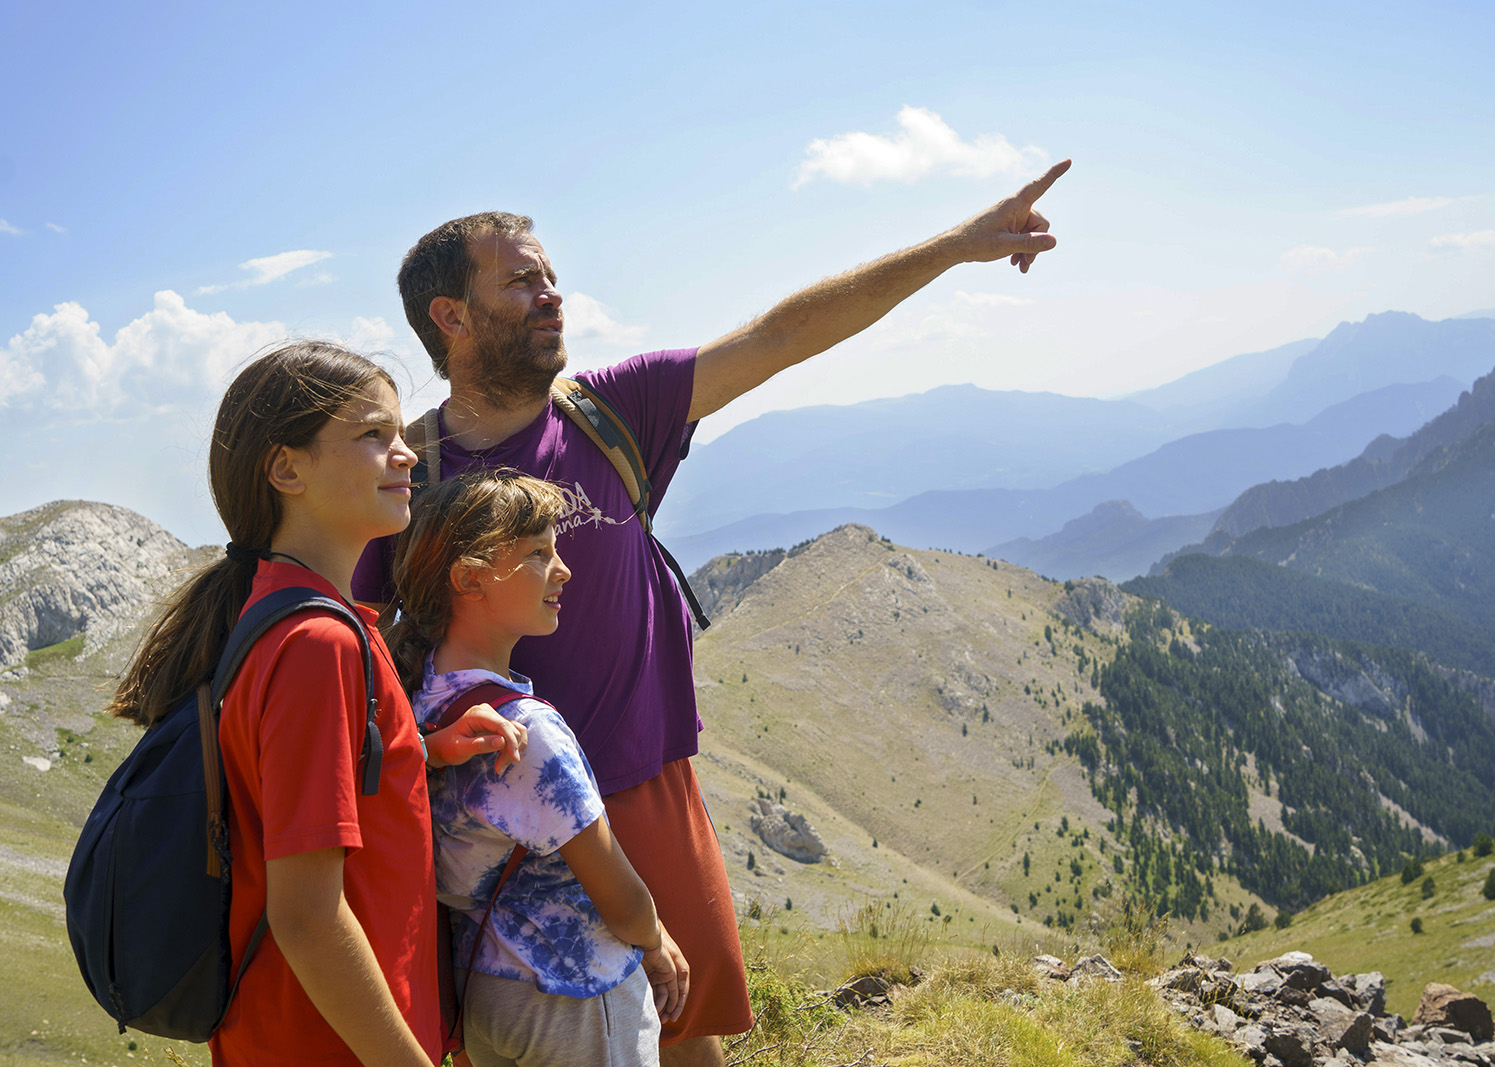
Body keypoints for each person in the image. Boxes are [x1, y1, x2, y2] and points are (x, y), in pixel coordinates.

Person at [353, 159, 1072, 1065]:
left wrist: (958, 245)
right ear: (449, 318)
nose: (552, 294)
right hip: (489, 831)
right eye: (521, 279)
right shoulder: (406, 482)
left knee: (687, 1040)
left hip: (643, 787)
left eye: (550, 275)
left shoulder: (612, 412)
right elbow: (361, 653)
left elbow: (784, 334)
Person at [107, 340, 527, 1067]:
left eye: (400, 434)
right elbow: (305, 916)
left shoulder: (292, 614)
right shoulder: (316, 644)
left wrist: (415, 752)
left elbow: (290, 785)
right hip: (334, 1044)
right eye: (373, 435)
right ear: (286, 467)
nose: (406, 455)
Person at [386, 468, 692, 1067]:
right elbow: (617, 892)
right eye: (537, 554)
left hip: (485, 990)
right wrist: (655, 942)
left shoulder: (416, 703)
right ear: (469, 578)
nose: (564, 570)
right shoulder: (528, 731)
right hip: (574, 994)